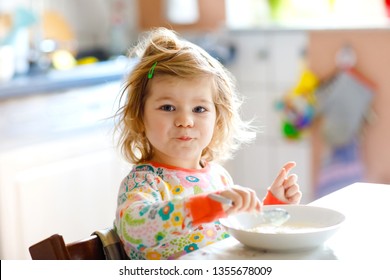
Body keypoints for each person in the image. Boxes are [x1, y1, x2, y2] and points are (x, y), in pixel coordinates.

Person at [114, 27, 301, 260]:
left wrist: (271, 206)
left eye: (199, 109)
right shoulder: (144, 182)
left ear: (218, 118)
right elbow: (135, 229)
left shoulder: (218, 177)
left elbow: (238, 235)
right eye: (168, 108)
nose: (185, 120)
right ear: (139, 117)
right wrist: (203, 207)